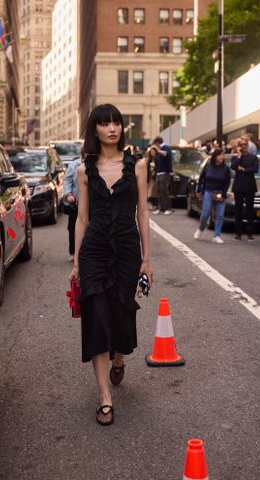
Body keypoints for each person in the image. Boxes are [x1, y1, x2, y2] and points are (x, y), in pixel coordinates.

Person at [68, 104, 153, 426]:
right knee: (97, 317)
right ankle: (105, 397)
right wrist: (77, 261)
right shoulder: (83, 169)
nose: (112, 128)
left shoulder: (138, 165)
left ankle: (120, 356)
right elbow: (82, 218)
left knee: (121, 310)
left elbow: (143, 213)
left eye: (116, 122)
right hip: (95, 250)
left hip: (127, 248)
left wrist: (146, 258)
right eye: (104, 124)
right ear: (95, 130)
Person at [194, 148, 231, 244]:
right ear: (215, 156)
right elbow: (201, 178)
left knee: (220, 215)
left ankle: (217, 235)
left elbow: (227, 182)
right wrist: (199, 190)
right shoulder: (208, 166)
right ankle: (201, 229)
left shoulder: (225, 169)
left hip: (219, 193)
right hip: (208, 192)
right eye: (220, 155)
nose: (222, 157)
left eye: (223, 155)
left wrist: (223, 194)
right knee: (205, 214)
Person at [231, 136, 259, 241]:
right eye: (241, 145)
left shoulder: (253, 157)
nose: (243, 146)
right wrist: (238, 155)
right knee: (238, 211)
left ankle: (250, 233)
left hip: (250, 186)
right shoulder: (236, 157)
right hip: (238, 186)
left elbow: (255, 169)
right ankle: (238, 233)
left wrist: (243, 169)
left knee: (249, 210)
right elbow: (233, 166)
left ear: (248, 145)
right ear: (238, 147)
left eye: (245, 144)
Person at [63, 147, 85, 261]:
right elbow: (67, 180)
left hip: (93, 204)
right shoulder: (74, 165)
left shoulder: (97, 164)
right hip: (76, 203)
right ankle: (73, 252)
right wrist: (68, 194)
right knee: (73, 228)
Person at [151, 136, 173, 215]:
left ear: (157, 143)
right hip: (159, 172)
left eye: (155, 144)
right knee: (159, 191)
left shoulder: (165, 147)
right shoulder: (159, 150)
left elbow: (165, 154)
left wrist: (157, 150)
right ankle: (160, 208)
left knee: (164, 190)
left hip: (165, 172)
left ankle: (168, 208)